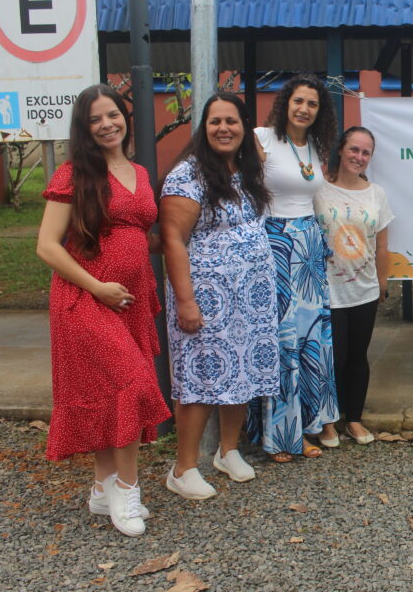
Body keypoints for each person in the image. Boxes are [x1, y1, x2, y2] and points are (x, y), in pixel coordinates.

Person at [36, 84, 170, 537]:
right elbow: (47, 246)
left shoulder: (139, 171)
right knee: (130, 383)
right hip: (84, 298)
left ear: (124, 118)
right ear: (84, 127)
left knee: (108, 389)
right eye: (96, 119)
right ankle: (128, 492)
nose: (107, 124)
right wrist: (98, 286)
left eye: (113, 114)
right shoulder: (74, 174)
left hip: (129, 301)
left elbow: (137, 232)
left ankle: (100, 488)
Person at [160, 92, 280, 500]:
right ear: (203, 128)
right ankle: (183, 467)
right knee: (201, 376)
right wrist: (186, 301)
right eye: (215, 122)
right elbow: (173, 240)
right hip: (207, 298)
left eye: (233, 121)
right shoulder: (188, 175)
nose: (224, 128)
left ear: (245, 127)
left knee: (242, 370)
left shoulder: (246, 169)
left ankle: (228, 451)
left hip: (250, 299)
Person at [245, 74, 340, 462]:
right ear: (286, 102)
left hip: (309, 246)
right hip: (275, 244)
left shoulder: (316, 148)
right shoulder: (261, 138)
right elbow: (244, 191)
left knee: (311, 339)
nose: (304, 109)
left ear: (320, 112)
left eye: (312, 104)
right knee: (282, 341)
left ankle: (305, 427)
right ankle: (277, 436)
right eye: (298, 101)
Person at [313, 127, 394, 446]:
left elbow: (383, 246)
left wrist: (382, 282)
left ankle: (354, 419)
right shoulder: (319, 190)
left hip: (364, 289)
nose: (359, 157)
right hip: (326, 289)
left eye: (366, 153)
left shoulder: (377, 194)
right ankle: (328, 421)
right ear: (341, 149)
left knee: (358, 356)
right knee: (333, 357)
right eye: (354, 149)